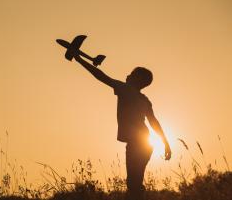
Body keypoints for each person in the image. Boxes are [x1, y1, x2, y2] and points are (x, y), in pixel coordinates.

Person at [72, 55, 171, 200]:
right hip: (146, 144)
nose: (127, 75)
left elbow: (101, 76)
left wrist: (79, 59)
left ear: (137, 80)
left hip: (137, 143)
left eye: (131, 74)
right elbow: (154, 122)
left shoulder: (125, 89)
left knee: (133, 184)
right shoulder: (144, 100)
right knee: (135, 182)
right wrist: (166, 143)